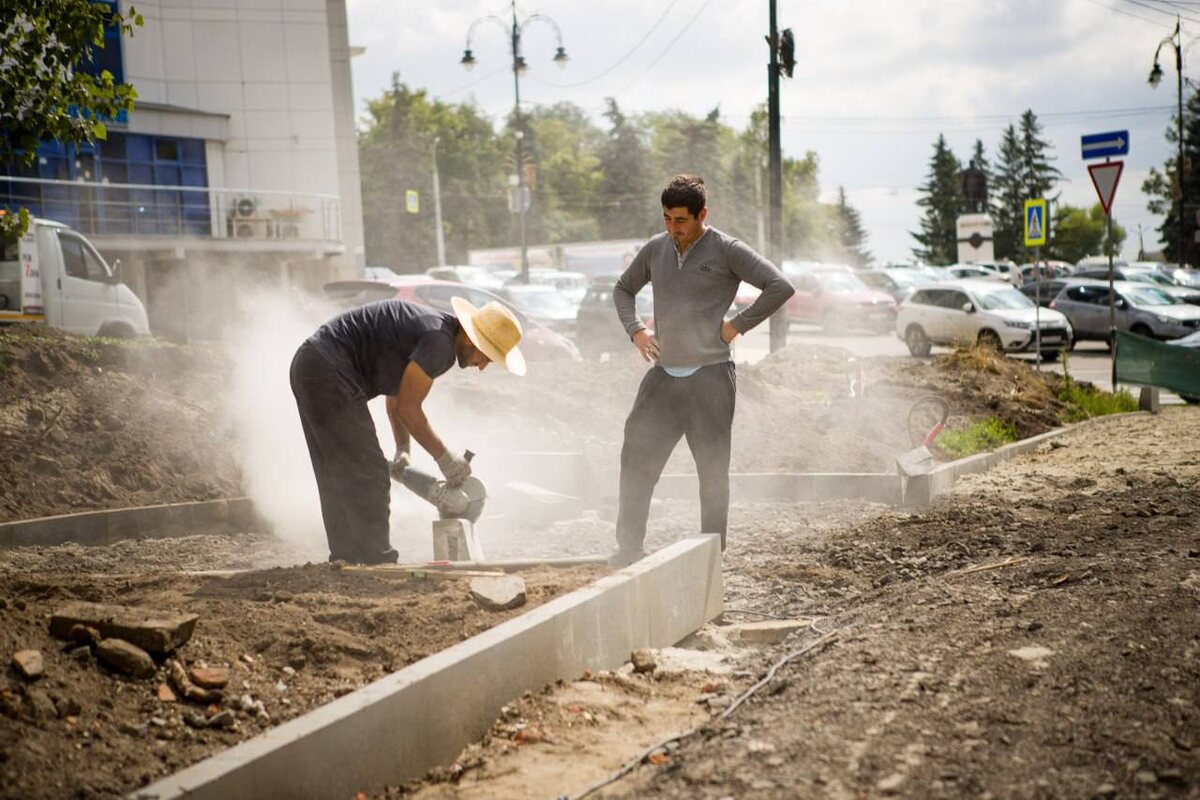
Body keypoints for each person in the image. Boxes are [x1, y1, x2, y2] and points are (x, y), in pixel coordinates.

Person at [609, 174, 795, 567]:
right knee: (635, 459)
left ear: (701, 215)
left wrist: (736, 325)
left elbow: (779, 286)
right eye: (667, 219)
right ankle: (628, 550)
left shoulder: (727, 250)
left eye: (681, 220)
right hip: (664, 376)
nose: (673, 228)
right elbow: (623, 290)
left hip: (710, 378)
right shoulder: (656, 249)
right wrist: (637, 330)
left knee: (712, 472)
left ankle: (711, 552)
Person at [290, 296, 524, 564]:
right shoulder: (440, 343)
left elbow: (397, 398)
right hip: (330, 370)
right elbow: (410, 410)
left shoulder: (436, 331)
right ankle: (374, 560)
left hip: (311, 363)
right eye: (487, 357)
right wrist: (446, 459)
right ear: (471, 340)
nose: (482, 366)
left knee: (337, 470)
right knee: (370, 473)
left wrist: (403, 448)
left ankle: (347, 558)